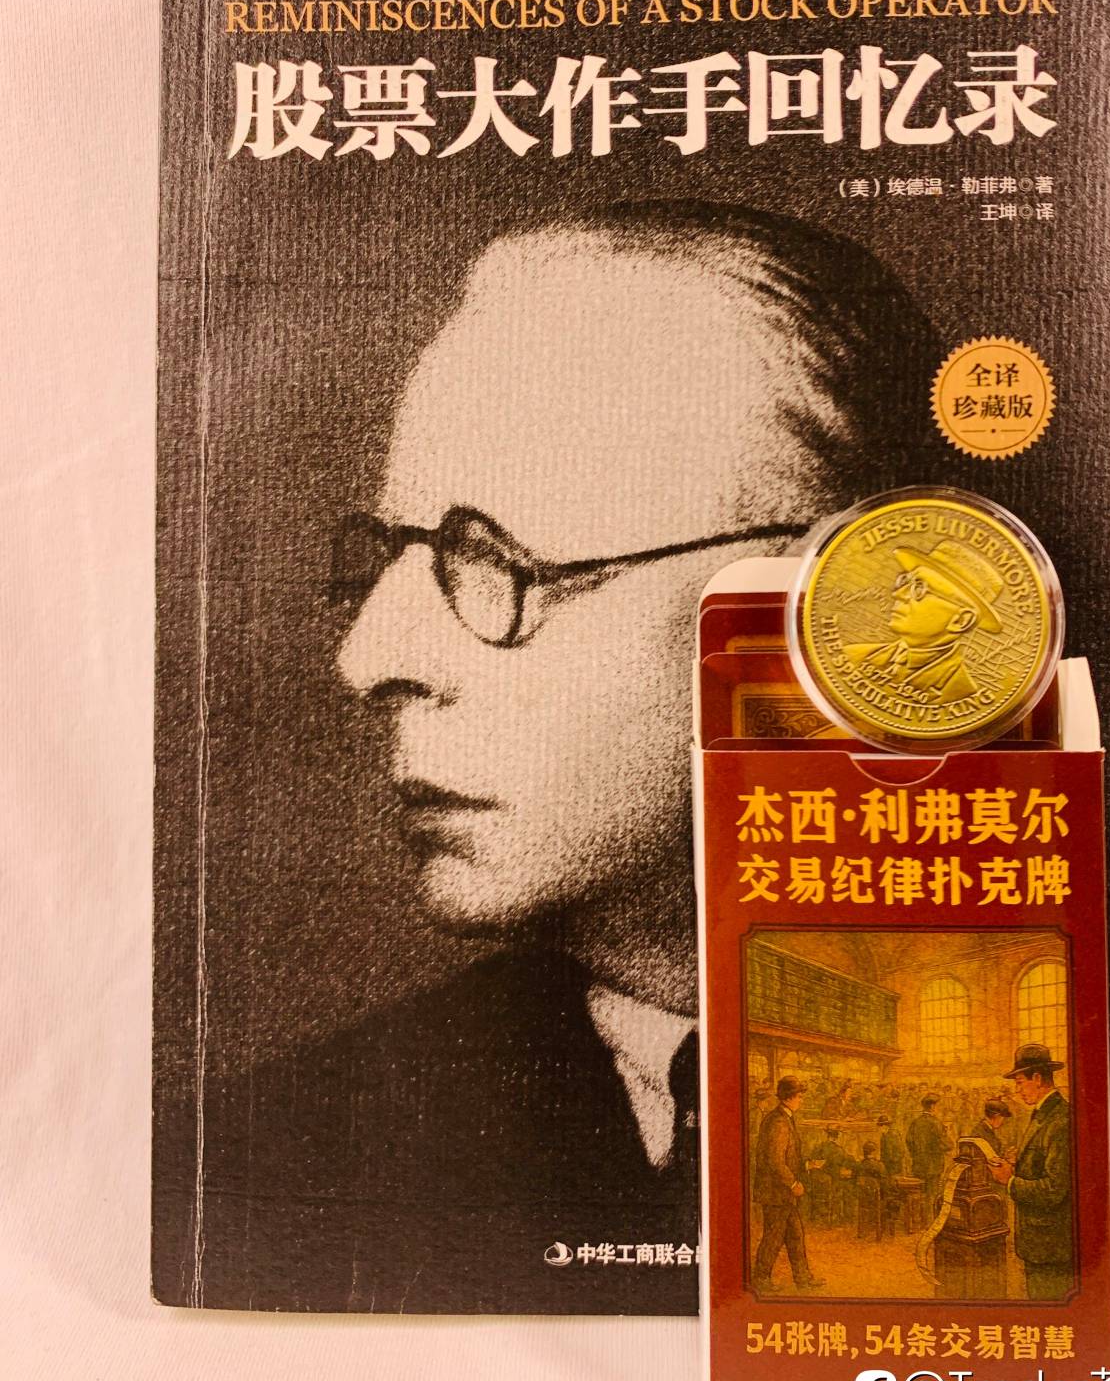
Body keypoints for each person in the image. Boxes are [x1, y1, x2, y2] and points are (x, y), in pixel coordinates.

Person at [156, 200, 930, 1315]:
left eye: (496, 561)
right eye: (392, 558)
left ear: (827, 605)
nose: (369, 658)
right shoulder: (264, 1158)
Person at [845, 538, 1006, 704]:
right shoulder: (852, 655)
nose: (898, 594)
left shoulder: (962, 695)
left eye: (919, 588)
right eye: (905, 581)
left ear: (960, 620)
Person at [990, 1044, 1075, 1299]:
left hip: (1049, 1244)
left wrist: (1010, 1181)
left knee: (1049, 1303)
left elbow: (1054, 1189)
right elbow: (1043, 1163)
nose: (1017, 1090)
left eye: (1019, 1083)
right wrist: (1019, 1162)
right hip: (1040, 1241)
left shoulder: (1059, 1120)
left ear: (1037, 1078)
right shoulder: (1043, 1114)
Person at [754, 1078, 824, 1291]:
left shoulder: (785, 1118)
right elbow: (775, 1160)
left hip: (782, 1193)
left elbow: (788, 1157)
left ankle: (803, 1278)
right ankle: (761, 1279)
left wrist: (807, 1165)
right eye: (799, 1096)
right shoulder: (778, 1122)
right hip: (776, 1192)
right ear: (788, 1097)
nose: (801, 1100)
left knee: (795, 1235)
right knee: (773, 1236)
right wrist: (793, 1183)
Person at [906, 1093, 949, 1215]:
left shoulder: (915, 1122)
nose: (939, 1109)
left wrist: (916, 1155)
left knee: (921, 1193)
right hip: (933, 1167)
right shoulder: (936, 1123)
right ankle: (930, 1220)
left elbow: (909, 1141)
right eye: (938, 1106)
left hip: (919, 1165)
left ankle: (920, 1218)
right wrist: (946, 1134)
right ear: (932, 1107)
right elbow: (947, 1145)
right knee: (932, 1195)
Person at [806, 1125, 855, 1223]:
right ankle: (840, 1216)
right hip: (833, 1182)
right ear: (836, 1137)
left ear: (828, 1136)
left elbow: (811, 1160)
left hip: (817, 1182)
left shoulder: (819, 1147)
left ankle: (816, 1215)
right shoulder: (838, 1150)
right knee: (846, 1188)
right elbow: (848, 1160)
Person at [877, 1112, 906, 1176]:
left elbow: (901, 1150)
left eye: (880, 1126)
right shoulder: (883, 1136)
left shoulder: (894, 1134)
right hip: (887, 1166)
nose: (879, 1128)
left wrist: (893, 1160)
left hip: (894, 1166)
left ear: (884, 1126)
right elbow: (883, 1152)